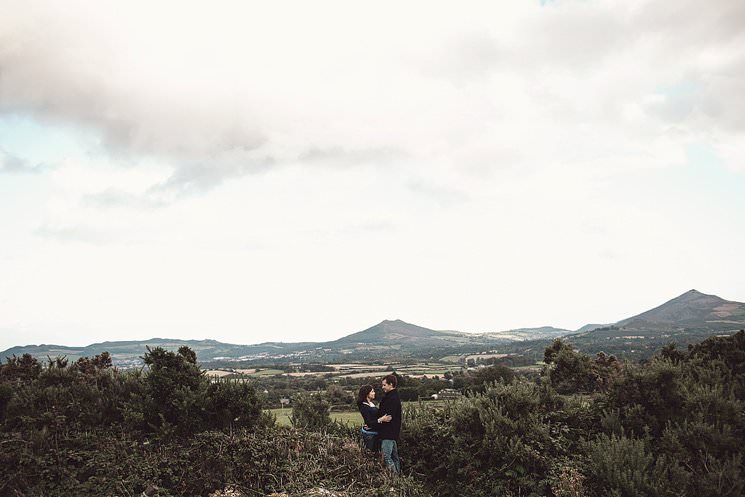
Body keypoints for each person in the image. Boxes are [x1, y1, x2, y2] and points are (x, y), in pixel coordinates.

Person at [376, 374, 402, 474]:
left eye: (384, 385)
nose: (382, 387)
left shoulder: (391, 398)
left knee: (387, 456)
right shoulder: (393, 396)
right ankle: (399, 477)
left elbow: (387, 416)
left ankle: (395, 480)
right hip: (393, 431)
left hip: (388, 432)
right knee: (394, 456)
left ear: (391, 384)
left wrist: (380, 418)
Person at [356, 384, 387, 451]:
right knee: (371, 453)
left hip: (376, 432)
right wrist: (381, 419)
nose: (374, 393)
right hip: (370, 435)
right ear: (367, 394)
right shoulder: (364, 407)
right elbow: (368, 422)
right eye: (372, 391)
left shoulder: (371, 404)